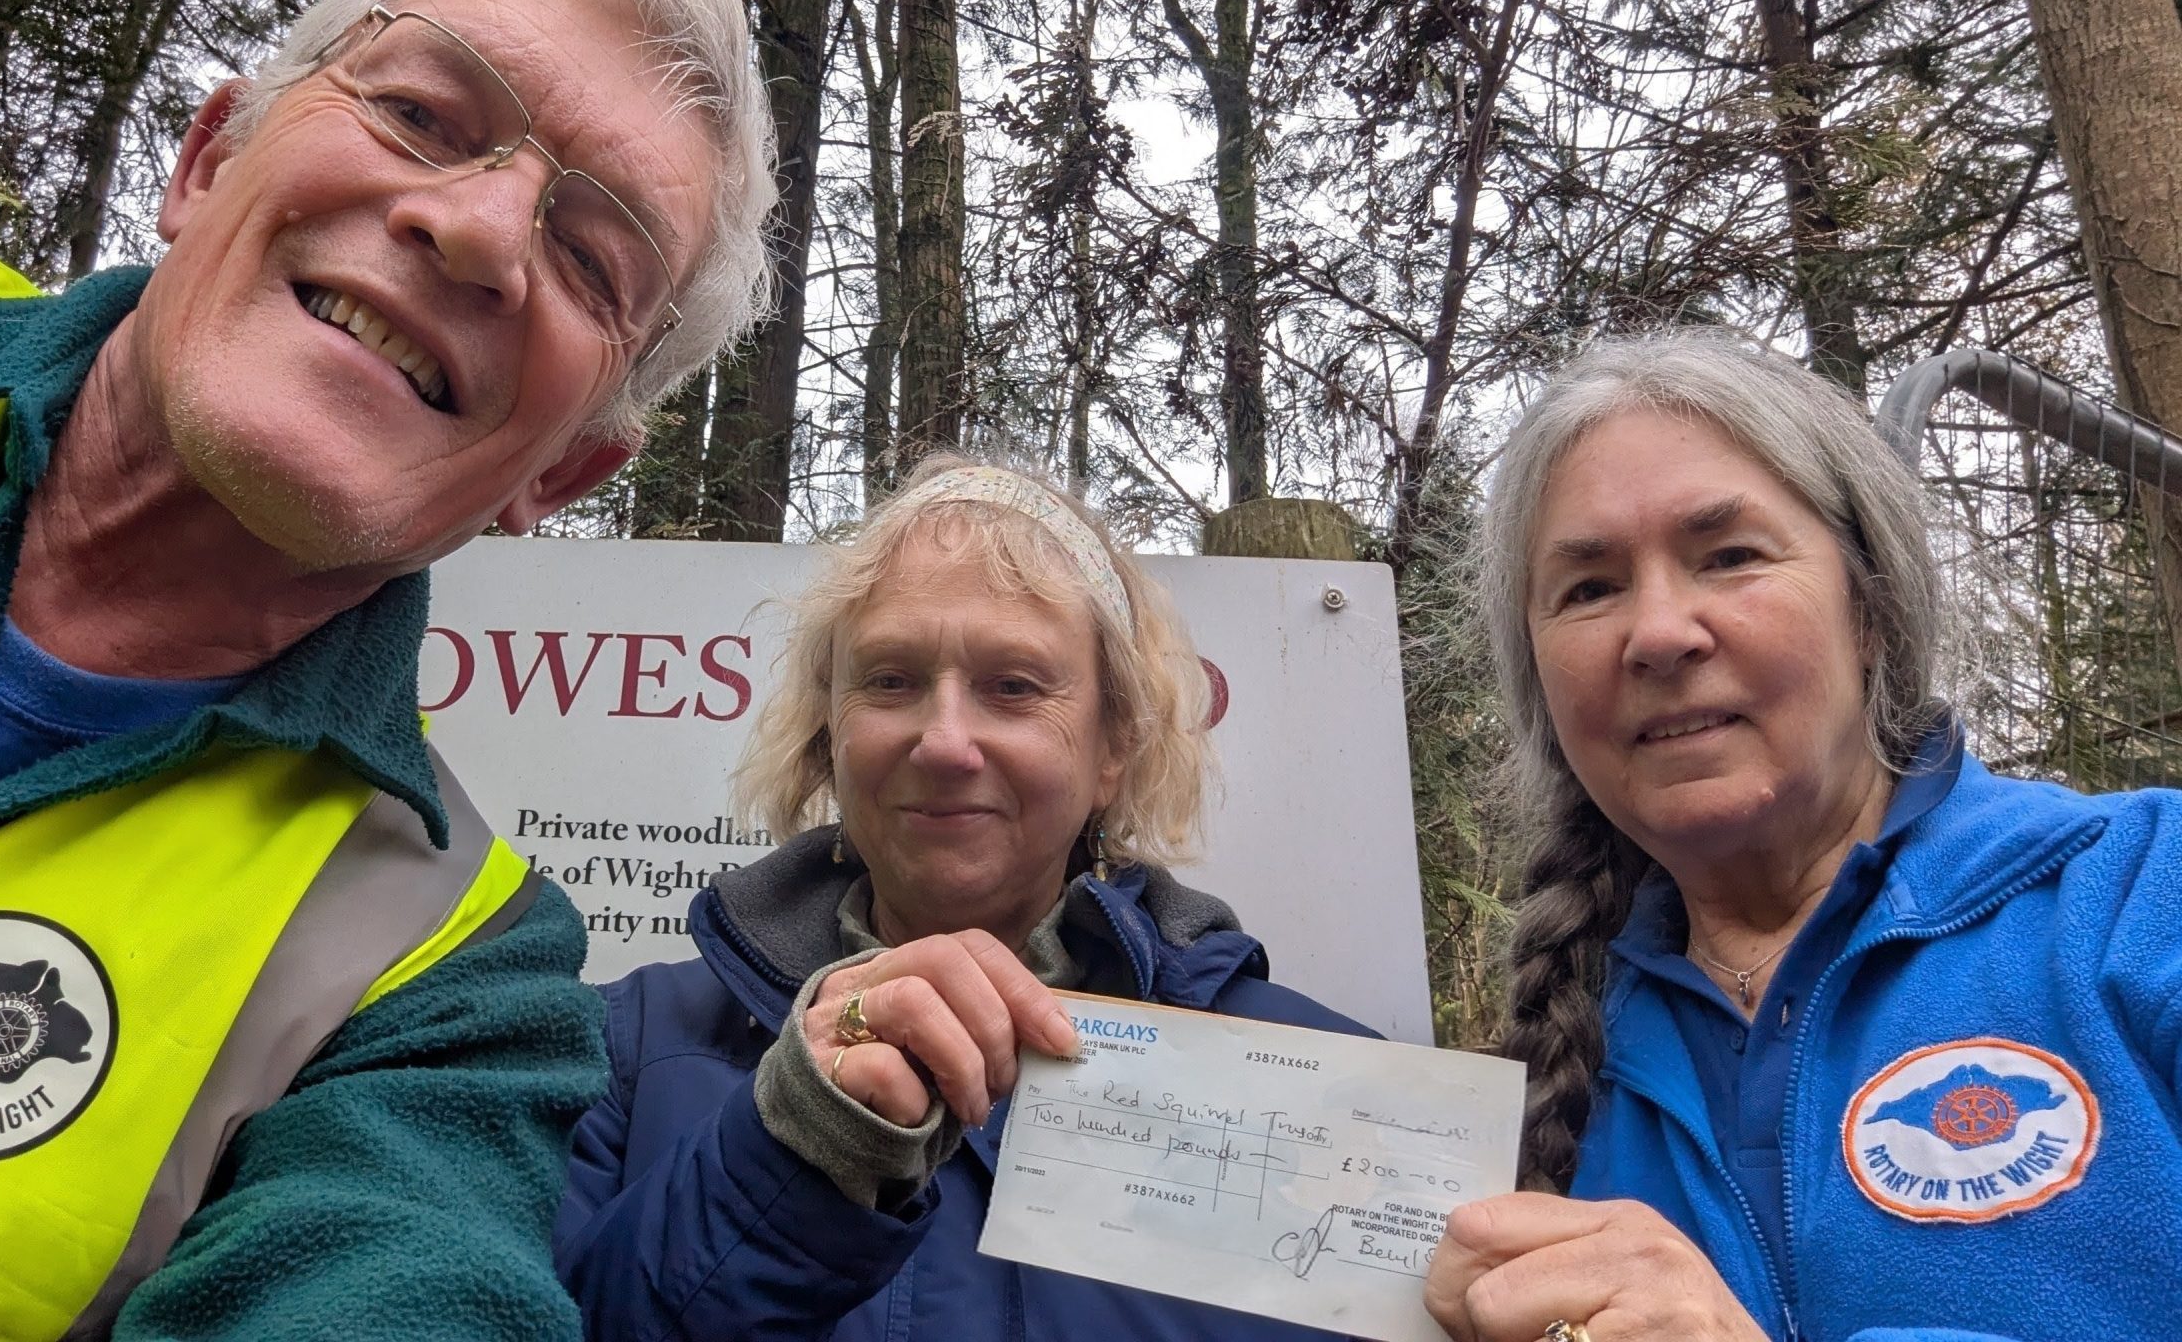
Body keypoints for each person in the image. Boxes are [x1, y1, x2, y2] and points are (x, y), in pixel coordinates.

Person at [0, 0, 773, 1336]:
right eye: (421, 113)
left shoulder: (447, 979)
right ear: (209, 159)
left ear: (565, 471)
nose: (477, 230)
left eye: (594, 261)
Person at [1425, 332, 2182, 1342]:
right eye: (1589, 589)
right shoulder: (1553, 1071)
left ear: (1871, 610)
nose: (1659, 634)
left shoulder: (2142, 896)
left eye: (1729, 556)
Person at [555, 457, 1378, 1339]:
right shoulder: (621, 1051)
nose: (945, 743)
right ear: (830, 734)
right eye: (890, 680)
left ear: (1112, 749)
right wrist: (789, 1145)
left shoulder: (1333, 1098)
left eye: (1013, 686)